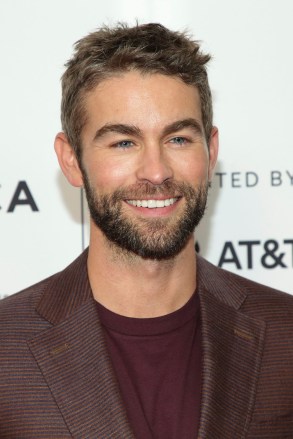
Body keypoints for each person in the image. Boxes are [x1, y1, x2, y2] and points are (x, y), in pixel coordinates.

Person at [0, 23, 292, 439]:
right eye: (123, 142)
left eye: (177, 138)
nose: (155, 171)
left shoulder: (286, 334)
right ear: (71, 160)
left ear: (210, 152)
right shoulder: (6, 351)